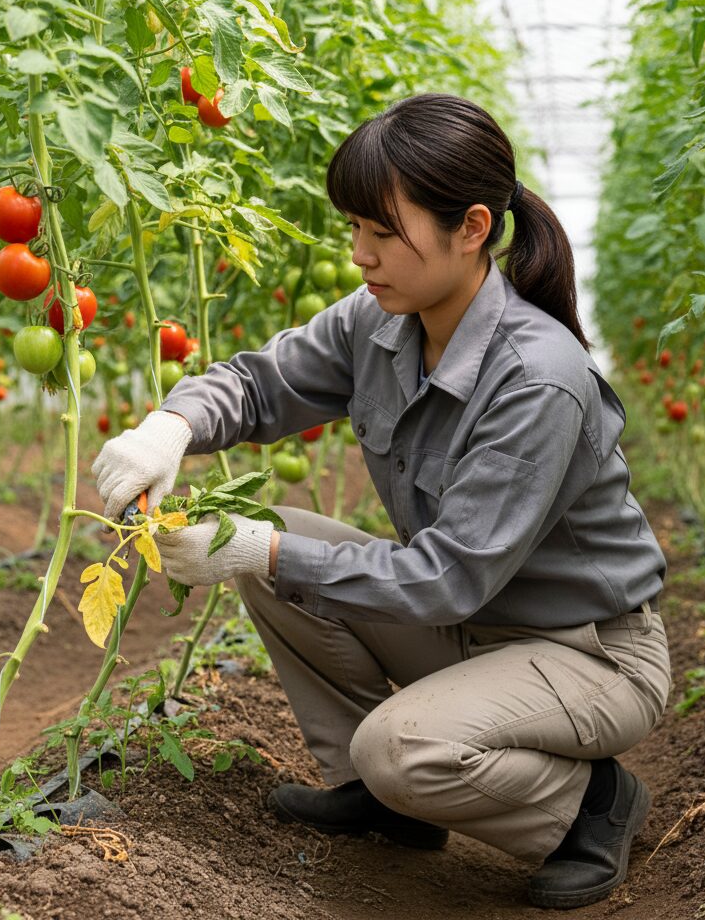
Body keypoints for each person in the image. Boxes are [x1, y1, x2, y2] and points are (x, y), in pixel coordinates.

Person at [90, 93, 673, 910]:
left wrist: (260, 551)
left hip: (585, 653)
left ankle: (588, 809)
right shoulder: (379, 321)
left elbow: (448, 576)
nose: (360, 254)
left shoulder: (537, 378)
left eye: (382, 231)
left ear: (471, 227)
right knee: (277, 538)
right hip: (472, 630)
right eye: (354, 229)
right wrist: (171, 426)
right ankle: (378, 799)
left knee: (400, 743)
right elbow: (262, 384)